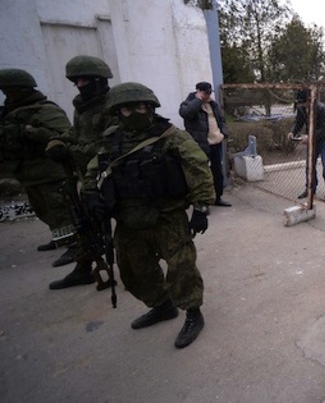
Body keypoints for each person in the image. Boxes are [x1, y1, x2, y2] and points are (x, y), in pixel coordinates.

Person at [83, 82, 215, 348]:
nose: (133, 113)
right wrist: (92, 197)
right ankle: (162, 306)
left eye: (139, 107)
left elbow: (198, 168)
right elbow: (93, 172)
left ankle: (192, 313)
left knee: (181, 268)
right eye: (126, 110)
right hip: (128, 219)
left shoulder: (170, 137)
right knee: (133, 271)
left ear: (150, 108)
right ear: (117, 112)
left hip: (167, 216)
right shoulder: (112, 141)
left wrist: (201, 208)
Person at [45, 55, 116, 290]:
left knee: (125, 223)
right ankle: (84, 268)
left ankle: (139, 268)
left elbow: (111, 144)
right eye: (76, 82)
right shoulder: (81, 108)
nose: (79, 86)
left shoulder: (112, 105)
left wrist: (73, 150)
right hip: (85, 176)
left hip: (109, 176)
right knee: (85, 225)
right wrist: (57, 142)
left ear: (97, 80)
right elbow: (75, 133)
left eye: (83, 81)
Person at [0, 68, 77, 267]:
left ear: (21, 89)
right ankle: (60, 238)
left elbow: (64, 137)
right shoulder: (9, 112)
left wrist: (30, 132)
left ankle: (75, 246)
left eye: (9, 90)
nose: (7, 95)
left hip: (50, 171)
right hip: (27, 172)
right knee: (43, 210)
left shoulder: (45, 110)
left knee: (61, 210)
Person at [178, 81, 230, 207]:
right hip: (200, 145)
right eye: (206, 93)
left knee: (217, 172)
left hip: (215, 143)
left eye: (209, 93)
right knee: (201, 174)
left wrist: (223, 133)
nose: (208, 96)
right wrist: (198, 100)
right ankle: (202, 203)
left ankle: (217, 197)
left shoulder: (213, 104)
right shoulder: (189, 103)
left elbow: (221, 119)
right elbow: (186, 114)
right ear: (199, 92)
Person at [287, 88, 325, 199]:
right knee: (309, 166)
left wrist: (310, 136)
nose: (303, 105)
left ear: (310, 100)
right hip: (312, 140)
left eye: (304, 103)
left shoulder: (322, 110)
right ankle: (310, 189)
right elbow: (298, 123)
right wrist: (292, 132)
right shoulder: (301, 109)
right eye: (301, 103)